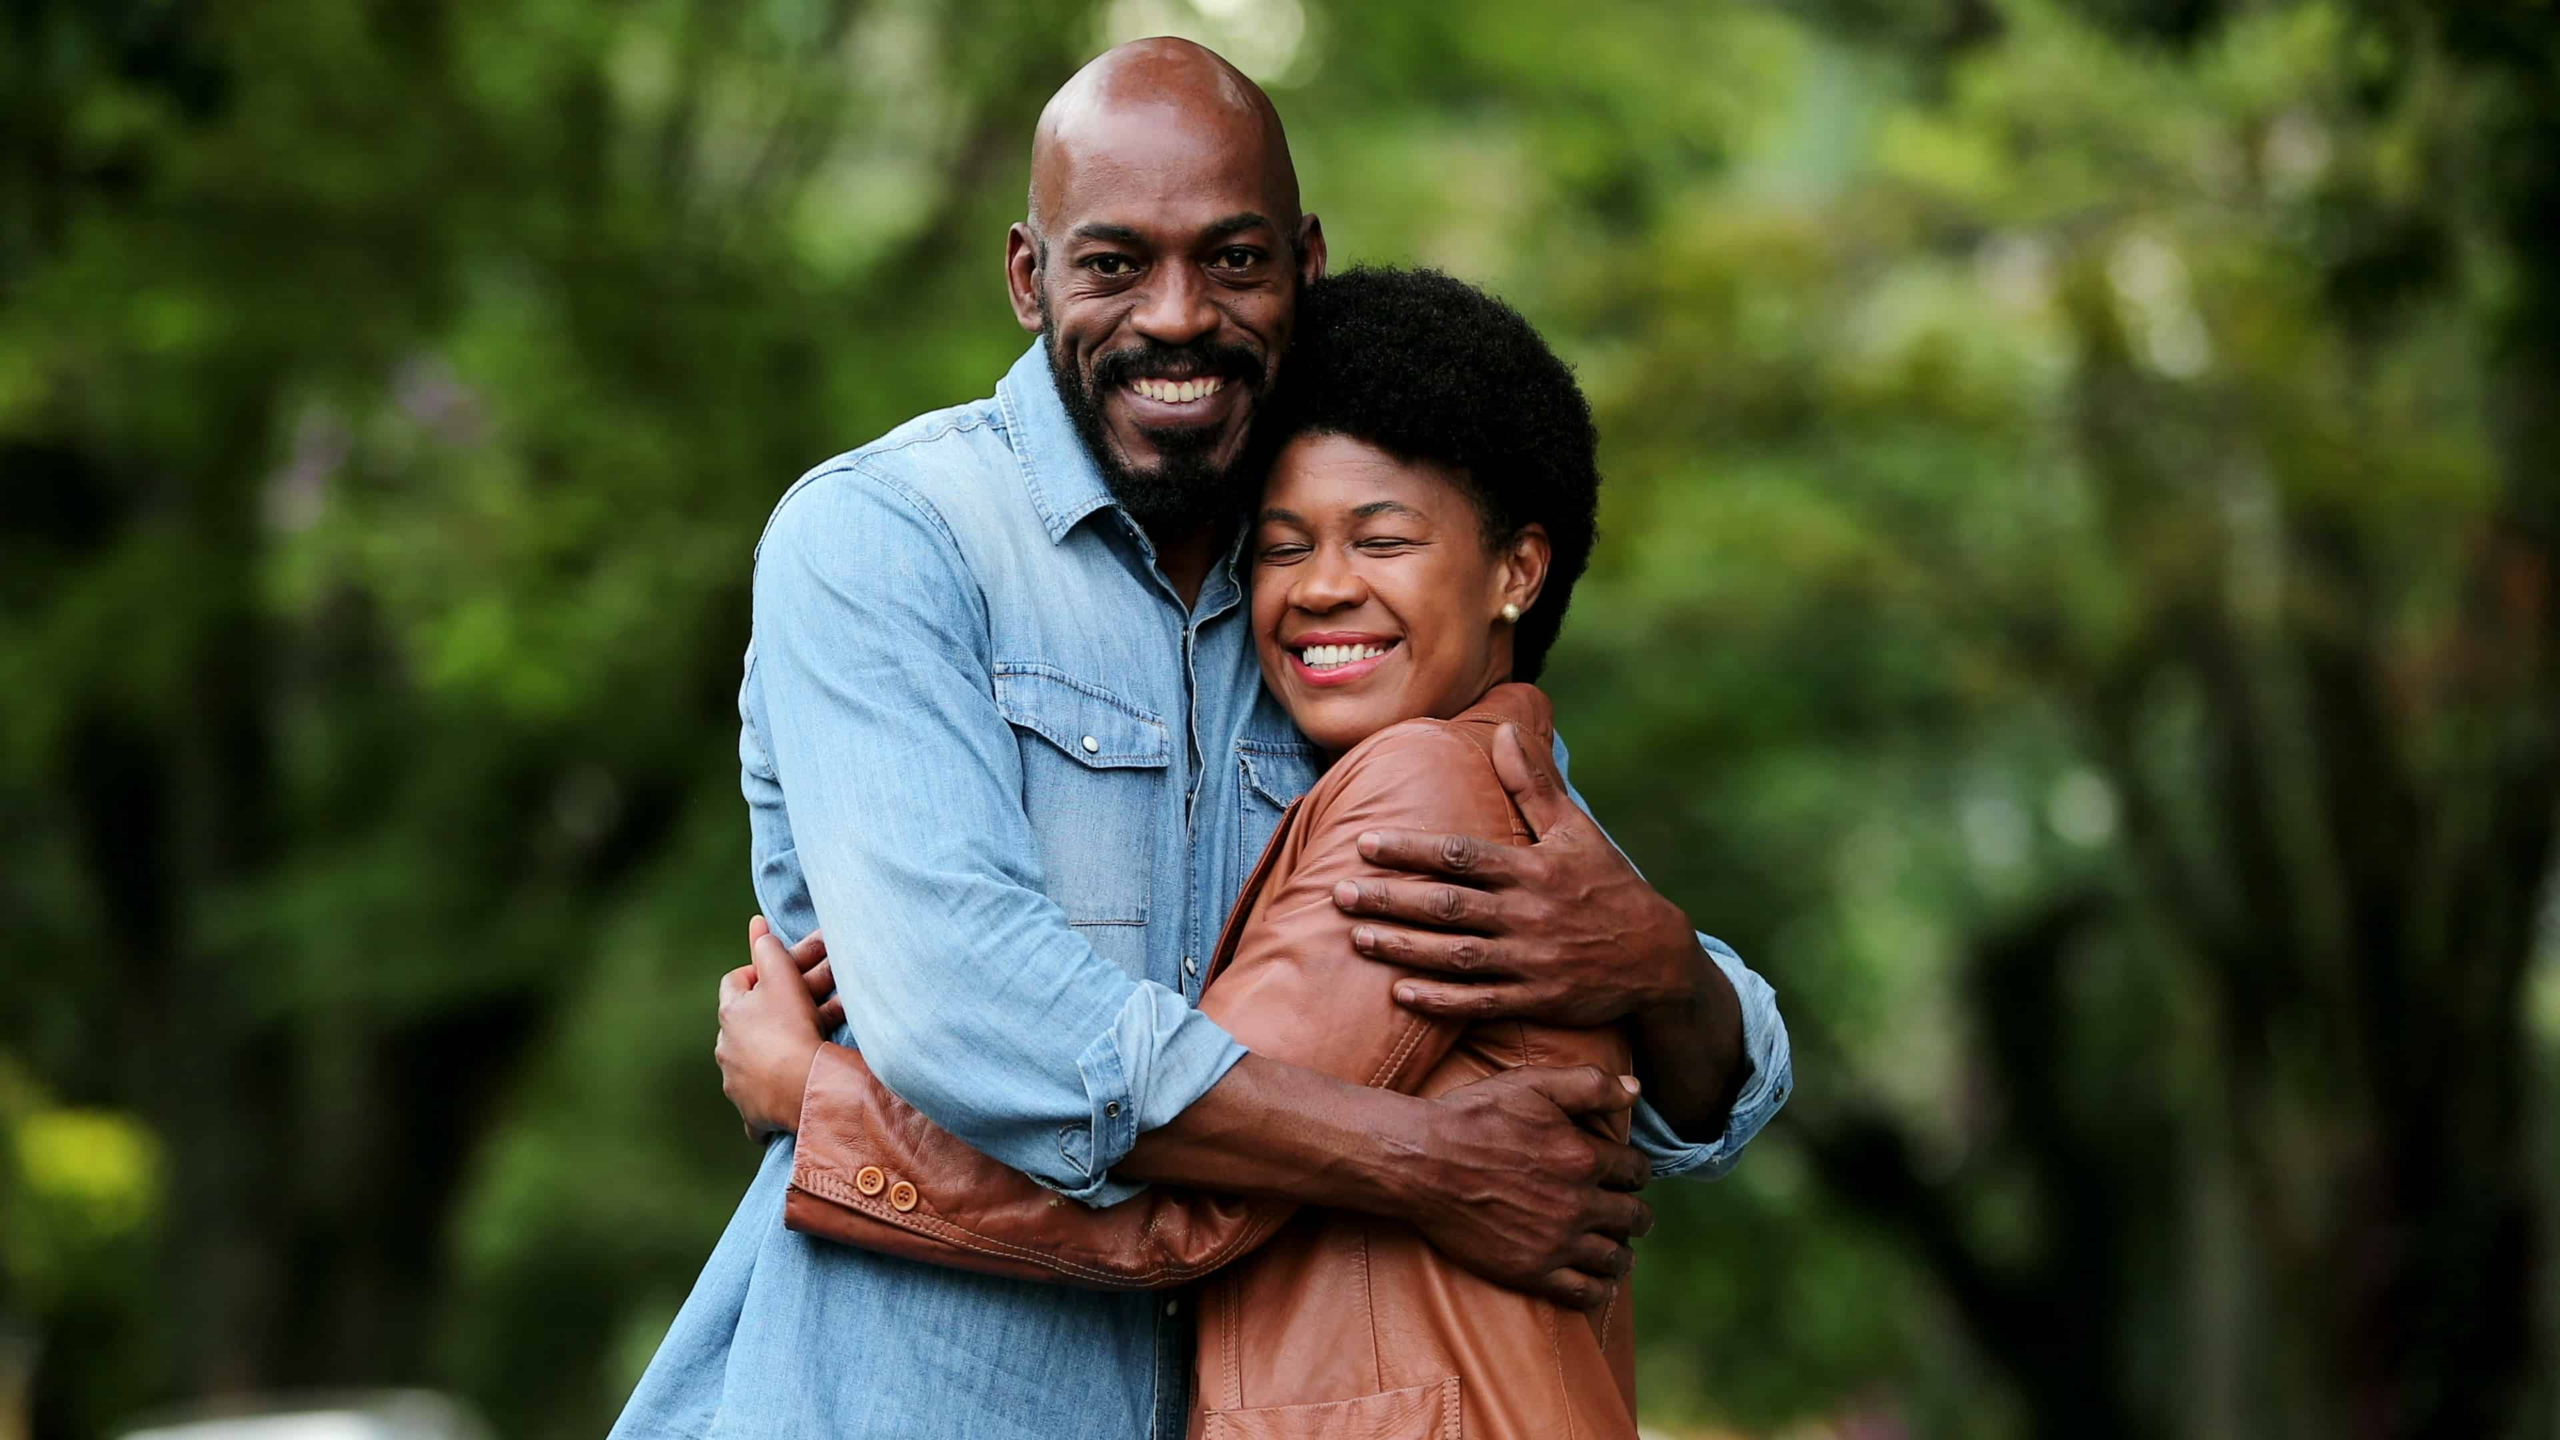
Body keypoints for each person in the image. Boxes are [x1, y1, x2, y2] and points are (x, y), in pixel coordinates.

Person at [609, 39, 1791, 1440]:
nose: (1177, 317)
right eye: (1114, 264)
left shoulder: (1336, 604)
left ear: (1303, 262)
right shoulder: (890, 541)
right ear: (1026, 273)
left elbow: (1659, 1057)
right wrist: (1412, 1159)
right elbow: (975, 1017)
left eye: (1232, 262)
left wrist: (1658, 964)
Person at [717, 265, 1677, 1439]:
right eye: (1281, 548)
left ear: (1515, 572)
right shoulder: (1476, 775)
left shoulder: (1423, 791)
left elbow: (1189, 1211)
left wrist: (820, 1100)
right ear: (1029, 270)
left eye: (1381, 540)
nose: (1325, 586)